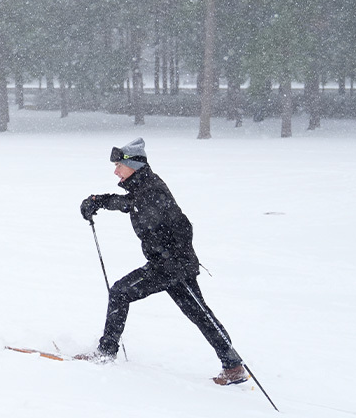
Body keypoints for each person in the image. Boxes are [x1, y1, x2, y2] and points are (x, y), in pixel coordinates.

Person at [77, 137, 248, 386]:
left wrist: (103, 202)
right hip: (167, 264)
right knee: (198, 312)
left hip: (171, 265)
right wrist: (99, 201)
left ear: (133, 166)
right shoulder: (142, 187)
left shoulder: (151, 189)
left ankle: (106, 353)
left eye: (118, 166)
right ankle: (232, 366)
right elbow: (132, 205)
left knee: (122, 292)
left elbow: (150, 213)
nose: (115, 171)